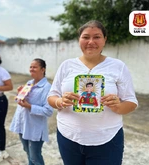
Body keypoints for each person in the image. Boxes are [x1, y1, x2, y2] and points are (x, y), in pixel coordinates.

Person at [47, 20, 138, 165]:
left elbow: (132, 102)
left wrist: (118, 107)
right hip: (68, 137)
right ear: (79, 40)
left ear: (104, 40)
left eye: (97, 37)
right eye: (85, 37)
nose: (91, 42)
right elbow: (51, 96)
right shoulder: (66, 66)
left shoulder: (118, 66)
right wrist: (60, 101)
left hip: (107, 139)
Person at [10, 58, 53, 165]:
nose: (31, 69)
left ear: (43, 69)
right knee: (28, 152)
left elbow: (48, 111)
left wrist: (29, 106)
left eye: (34, 67)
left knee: (35, 157)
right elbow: (24, 100)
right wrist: (21, 94)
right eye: (30, 67)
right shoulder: (29, 83)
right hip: (23, 124)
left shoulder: (47, 88)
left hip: (35, 128)